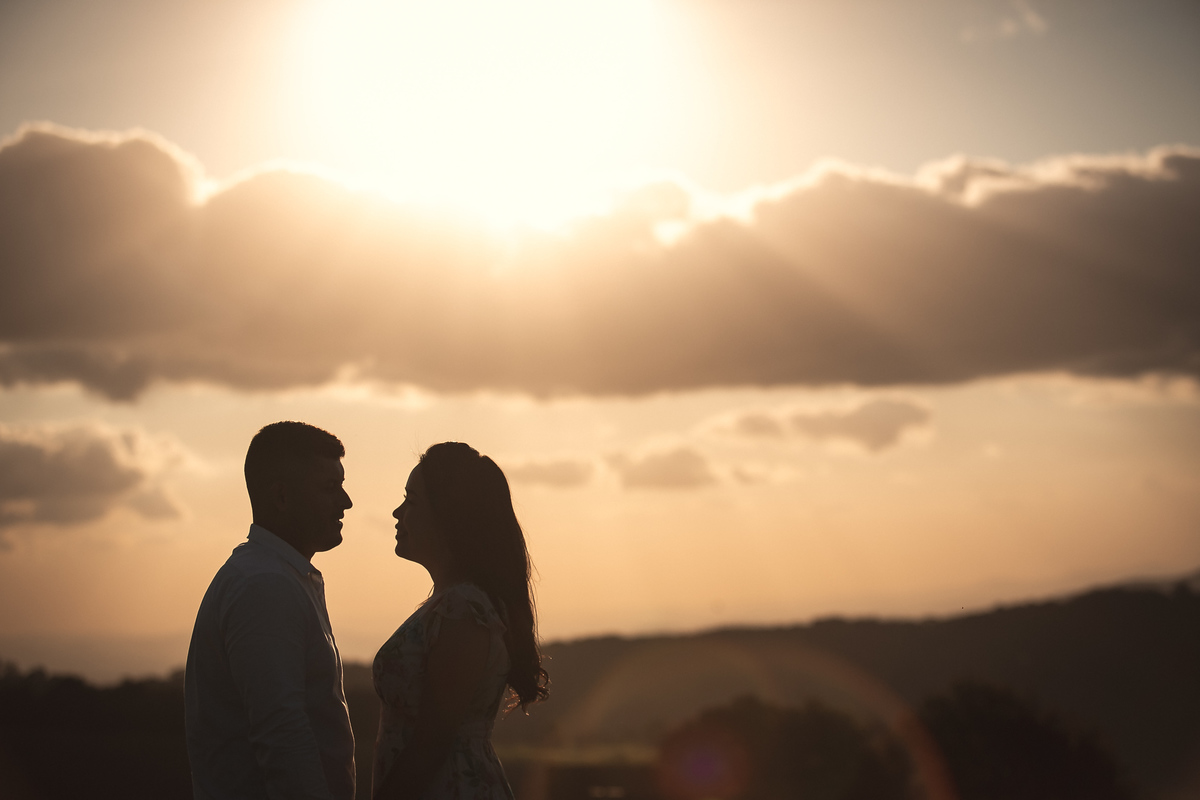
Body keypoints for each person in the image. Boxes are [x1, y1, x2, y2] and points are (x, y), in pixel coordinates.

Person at [185, 421, 356, 800]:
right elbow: (283, 737)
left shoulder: (276, 577)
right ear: (281, 497)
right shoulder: (265, 585)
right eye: (331, 488)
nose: (346, 502)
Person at [373, 442, 549, 800]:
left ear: (448, 516)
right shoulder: (454, 604)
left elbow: (430, 747)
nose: (397, 512)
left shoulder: (462, 612)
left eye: (411, 501)